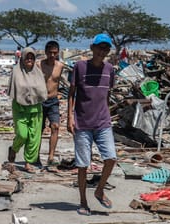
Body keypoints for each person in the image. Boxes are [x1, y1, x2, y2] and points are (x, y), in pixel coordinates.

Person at [67, 33, 117, 216]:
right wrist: (69, 118)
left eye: (106, 48)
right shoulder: (80, 67)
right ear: (92, 48)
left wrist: (107, 113)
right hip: (82, 122)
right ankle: (82, 201)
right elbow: (71, 93)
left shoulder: (110, 69)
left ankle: (99, 190)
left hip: (103, 122)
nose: (102, 51)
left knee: (111, 158)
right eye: (100, 47)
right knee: (83, 165)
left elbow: (107, 95)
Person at [7, 47, 47, 173]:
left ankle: (28, 162)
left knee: (34, 137)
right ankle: (14, 148)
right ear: (22, 58)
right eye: (27, 57)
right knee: (22, 134)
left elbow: (42, 90)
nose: (29, 60)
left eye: (32, 58)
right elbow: (14, 89)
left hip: (36, 108)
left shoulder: (38, 72)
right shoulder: (16, 71)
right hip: (20, 108)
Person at [36, 41, 64, 165]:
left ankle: (51, 156)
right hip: (40, 100)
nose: (52, 55)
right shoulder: (38, 65)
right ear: (46, 52)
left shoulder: (60, 66)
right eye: (50, 52)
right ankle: (35, 155)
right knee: (38, 129)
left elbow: (57, 83)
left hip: (53, 101)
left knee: (55, 126)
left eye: (55, 53)